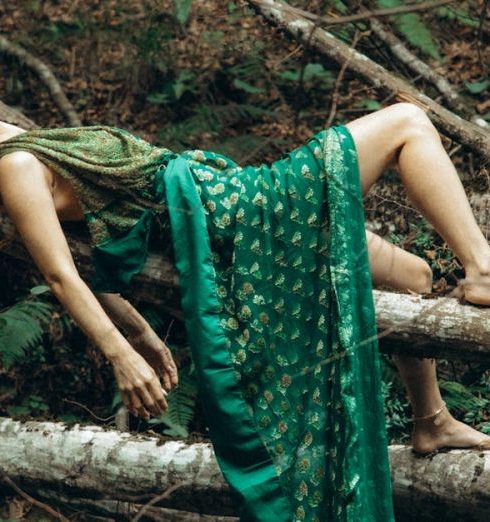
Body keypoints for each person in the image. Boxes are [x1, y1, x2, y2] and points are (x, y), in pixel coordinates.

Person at [0, 102, 489, 521]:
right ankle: (483, 269)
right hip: (239, 214)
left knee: (414, 276)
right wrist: (119, 354)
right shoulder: (16, 166)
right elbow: (61, 274)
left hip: (229, 202)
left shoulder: (28, 148)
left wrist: (141, 332)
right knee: (407, 121)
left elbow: (88, 248)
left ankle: (431, 421)